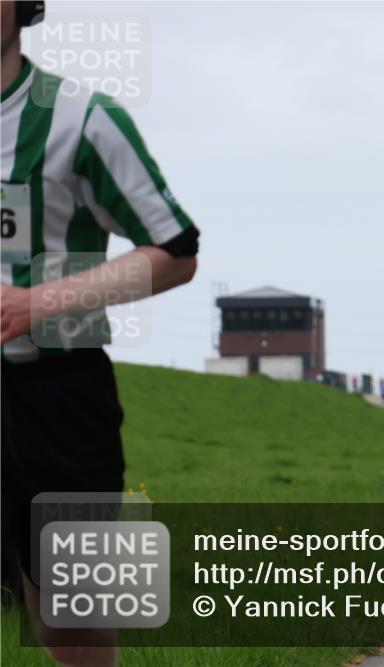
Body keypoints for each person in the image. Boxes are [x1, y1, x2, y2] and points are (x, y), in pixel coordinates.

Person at [1, 2, 200, 664]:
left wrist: (39, 302)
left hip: (56, 392)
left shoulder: (81, 118)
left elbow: (176, 251)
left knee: (68, 616)